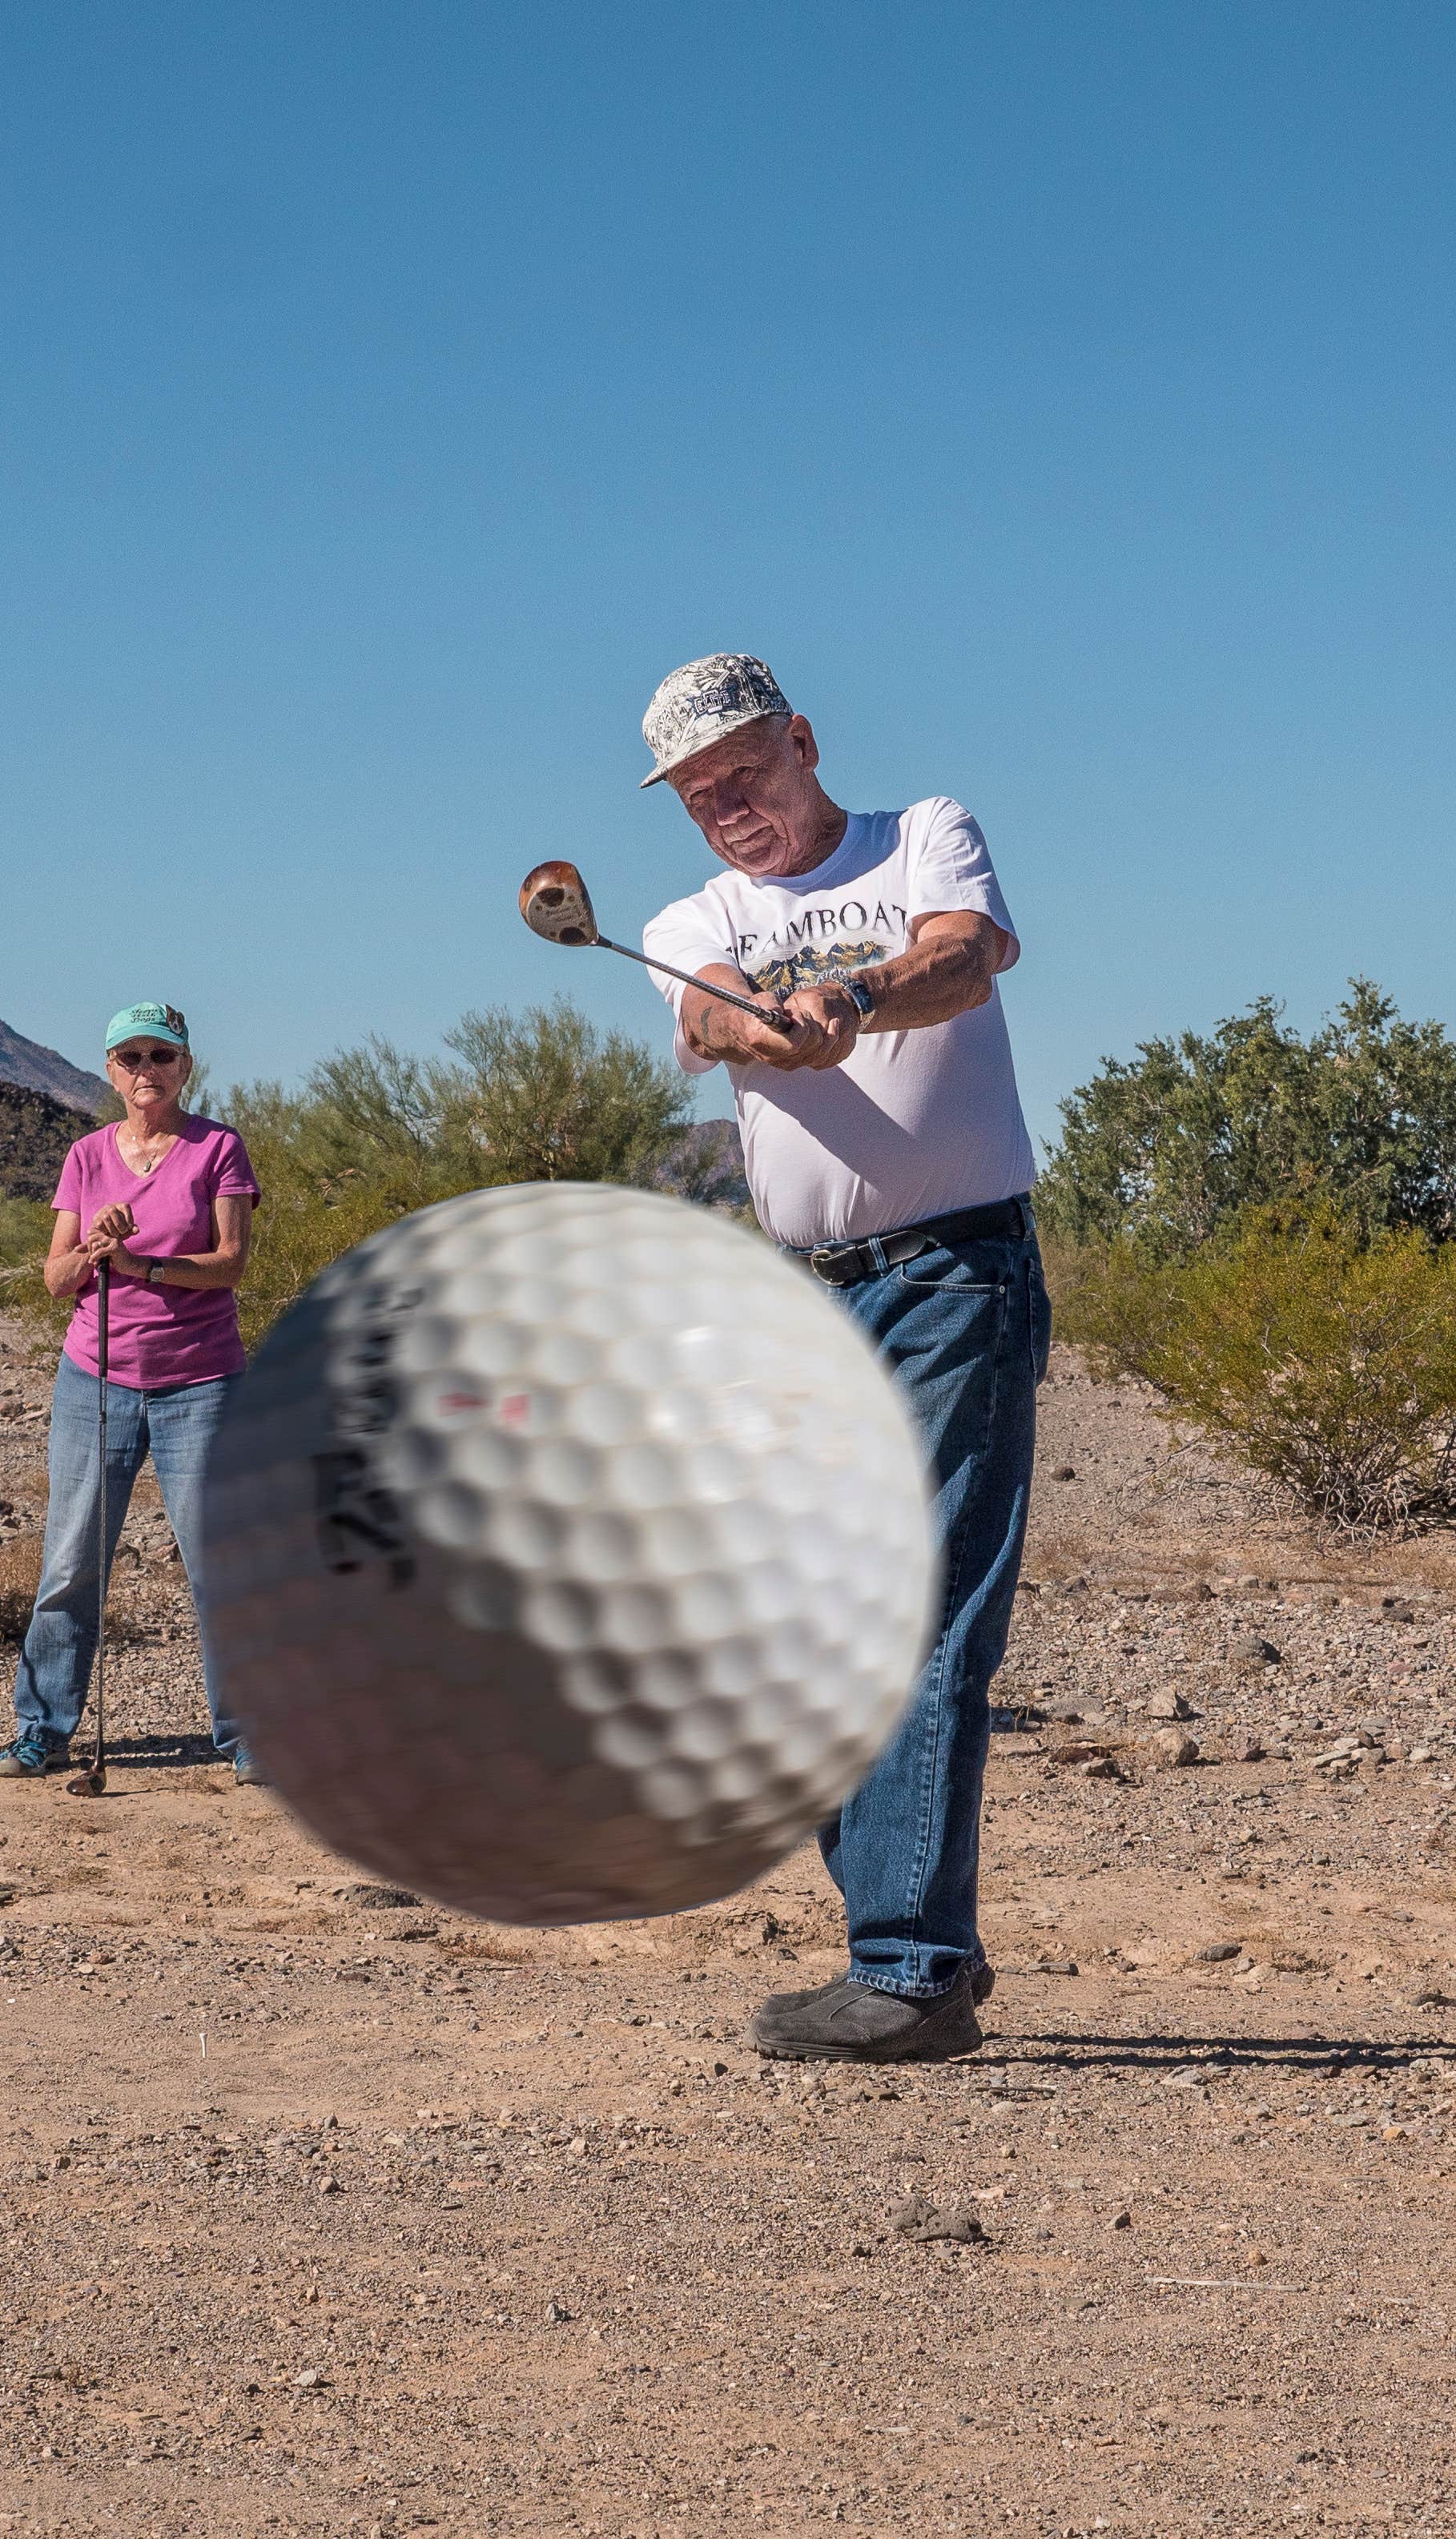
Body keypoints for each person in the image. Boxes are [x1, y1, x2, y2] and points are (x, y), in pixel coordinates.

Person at [633, 653, 1047, 2063]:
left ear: (803, 741)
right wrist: (758, 1019)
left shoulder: (923, 830)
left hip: (951, 1272)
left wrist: (860, 995)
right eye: (698, 797)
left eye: (742, 774)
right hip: (805, 1298)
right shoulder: (701, 912)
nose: (727, 810)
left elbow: (963, 956)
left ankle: (910, 1963)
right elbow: (705, 1008)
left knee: (916, 1608)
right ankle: (910, 1931)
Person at [0, 1002, 259, 1783]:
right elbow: (55, 1278)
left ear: (185, 1066)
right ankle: (42, 1727)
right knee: (72, 1559)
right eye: (132, 1057)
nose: (148, 1071)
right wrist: (92, 1250)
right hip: (96, 1378)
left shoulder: (219, 1149)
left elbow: (231, 1262)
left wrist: (144, 1267)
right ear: (111, 1070)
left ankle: (249, 1733)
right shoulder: (85, 1157)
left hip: (202, 1381)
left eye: (162, 1056)